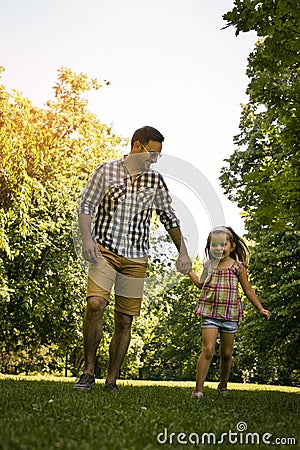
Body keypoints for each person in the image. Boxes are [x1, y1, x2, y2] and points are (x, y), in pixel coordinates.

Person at [74, 126, 192, 391]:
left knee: (124, 319)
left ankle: (112, 380)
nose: (154, 159)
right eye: (151, 153)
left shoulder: (155, 181)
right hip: (104, 249)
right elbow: (86, 206)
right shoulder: (106, 171)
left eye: (158, 156)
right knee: (95, 304)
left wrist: (183, 251)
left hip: (136, 256)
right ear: (136, 146)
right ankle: (89, 371)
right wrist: (86, 239)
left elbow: (169, 217)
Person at [188, 226, 270, 398]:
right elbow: (200, 284)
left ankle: (223, 386)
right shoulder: (209, 266)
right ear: (209, 247)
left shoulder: (238, 267)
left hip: (230, 315)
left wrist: (260, 308)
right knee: (208, 350)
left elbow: (248, 290)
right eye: (214, 245)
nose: (218, 248)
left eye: (223, 244)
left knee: (226, 354)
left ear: (232, 247)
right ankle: (198, 390)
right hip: (210, 313)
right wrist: (188, 270)